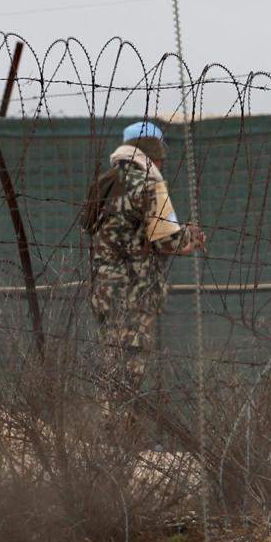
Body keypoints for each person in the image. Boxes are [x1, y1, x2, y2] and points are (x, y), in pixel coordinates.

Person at [82, 120, 206, 397]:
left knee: (112, 363)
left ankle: (110, 434)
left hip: (104, 290)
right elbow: (166, 239)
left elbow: (93, 229)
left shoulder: (103, 183)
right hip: (135, 292)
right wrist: (191, 236)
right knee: (129, 371)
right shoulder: (151, 186)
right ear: (154, 154)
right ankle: (118, 435)